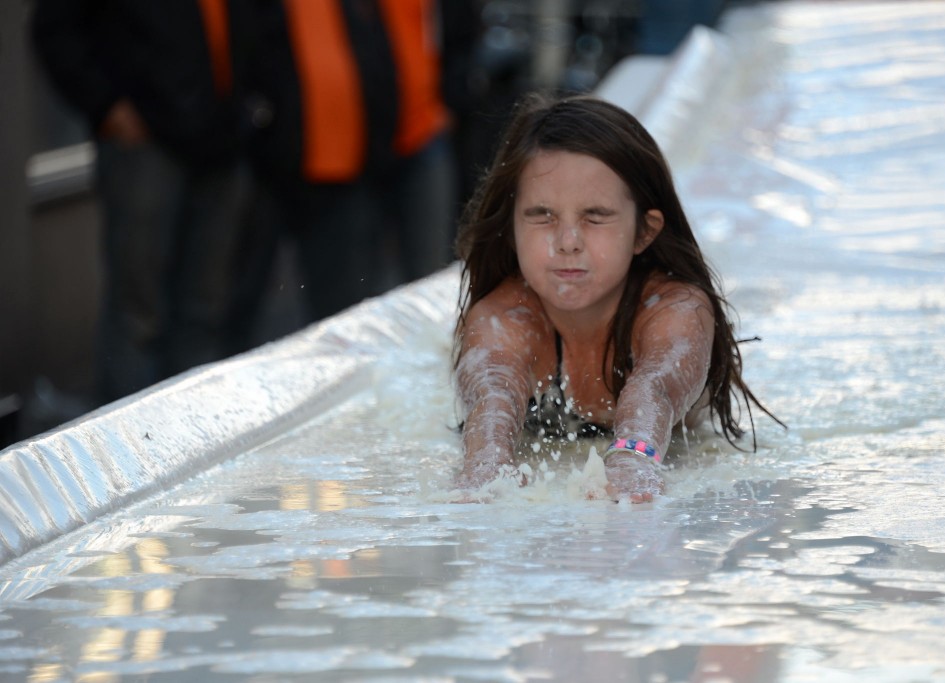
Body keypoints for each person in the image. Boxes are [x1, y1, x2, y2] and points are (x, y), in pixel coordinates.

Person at [452, 94, 780, 503]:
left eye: (595, 216)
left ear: (644, 231)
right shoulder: (503, 318)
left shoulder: (676, 310)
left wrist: (634, 457)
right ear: (512, 225)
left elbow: (656, 387)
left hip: (671, 441)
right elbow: (492, 395)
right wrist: (485, 465)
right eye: (542, 215)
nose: (567, 241)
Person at [32, 0, 248, 402]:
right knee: (138, 315)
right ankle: (128, 453)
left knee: (204, 313)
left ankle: (191, 441)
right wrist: (106, 106)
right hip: (146, 143)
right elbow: (55, 28)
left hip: (222, 140)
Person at [227, 0, 461, 340]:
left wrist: (452, 96)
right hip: (308, 153)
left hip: (388, 140)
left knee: (414, 287)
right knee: (256, 295)